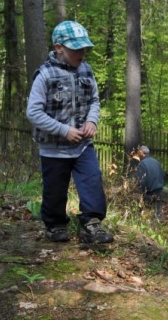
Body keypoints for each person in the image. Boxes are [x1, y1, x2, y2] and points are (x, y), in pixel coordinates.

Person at [26, 21, 113, 244]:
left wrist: (92, 121)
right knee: (55, 190)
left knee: (92, 182)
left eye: (84, 49)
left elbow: (94, 100)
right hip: (53, 149)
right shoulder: (44, 75)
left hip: (83, 145)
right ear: (59, 48)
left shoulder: (86, 70)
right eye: (76, 49)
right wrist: (64, 130)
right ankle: (55, 225)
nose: (82, 54)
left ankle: (92, 224)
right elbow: (33, 113)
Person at [136, 146, 165, 219]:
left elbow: (141, 181)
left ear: (142, 153)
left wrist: (140, 193)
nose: (138, 155)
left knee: (147, 215)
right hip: (159, 191)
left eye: (138, 153)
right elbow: (162, 174)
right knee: (158, 214)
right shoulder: (156, 161)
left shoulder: (142, 164)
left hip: (149, 193)